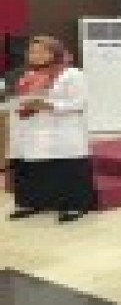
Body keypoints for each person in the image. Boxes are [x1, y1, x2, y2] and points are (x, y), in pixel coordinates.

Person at [7, 36, 97, 223]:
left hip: (62, 131)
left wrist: (49, 105)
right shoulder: (27, 76)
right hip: (31, 130)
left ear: (54, 52)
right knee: (32, 168)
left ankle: (74, 206)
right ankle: (32, 203)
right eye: (32, 51)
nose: (35, 55)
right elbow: (20, 100)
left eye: (41, 51)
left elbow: (79, 103)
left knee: (66, 169)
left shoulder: (71, 74)